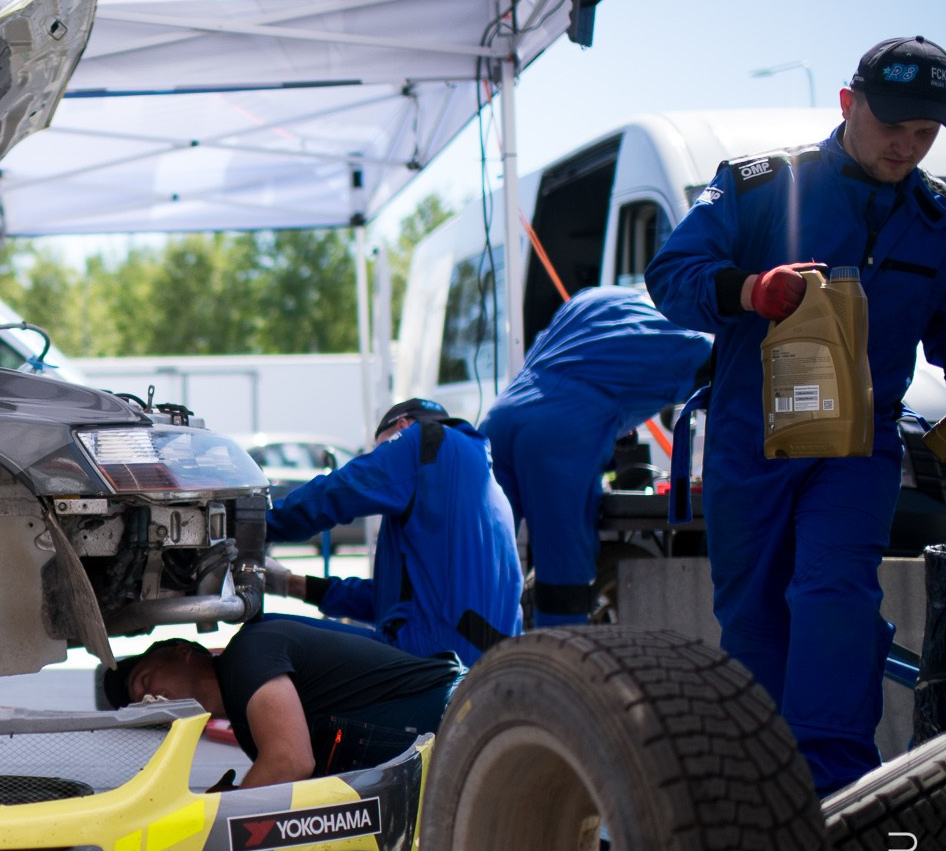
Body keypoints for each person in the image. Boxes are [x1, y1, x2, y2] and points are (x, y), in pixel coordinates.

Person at [647, 35, 946, 795]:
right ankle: (765, 792)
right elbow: (671, 275)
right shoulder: (760, 186)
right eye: (893, 127)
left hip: (858, 452)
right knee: (754, 626)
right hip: (754, 452)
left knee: (833, 596)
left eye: (926, 133)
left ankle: (838, 793)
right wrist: (752, 291)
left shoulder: (941, 222)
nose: (907, 146)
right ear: (849, 105)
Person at [479, 286, 712, 625]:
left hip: (501, 420)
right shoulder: (695, 341)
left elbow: (579, 369)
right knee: (563, 576)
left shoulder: (596, 298)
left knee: (483, 563)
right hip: (560, 436)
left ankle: (469, 667)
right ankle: (560, 669)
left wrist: (614, 421)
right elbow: (721, 402)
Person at [267, 397, 522, 665]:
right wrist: (289, 583)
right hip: (488, 669)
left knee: (267, 636)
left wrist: (263, 522)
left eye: (380, 450)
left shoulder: (425, 440)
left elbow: (340, 490)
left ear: (402, 426)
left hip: (432, 659)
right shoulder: (481, 480)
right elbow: (390, 601)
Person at [101, 619, 459, 788]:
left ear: (184, 653)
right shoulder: (248, 731)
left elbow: (289, 761)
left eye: (146, 682)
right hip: (445, 770)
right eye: (143, 705)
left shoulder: (250, 653)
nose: (151, 699)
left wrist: (221, 815)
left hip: (460, 713)